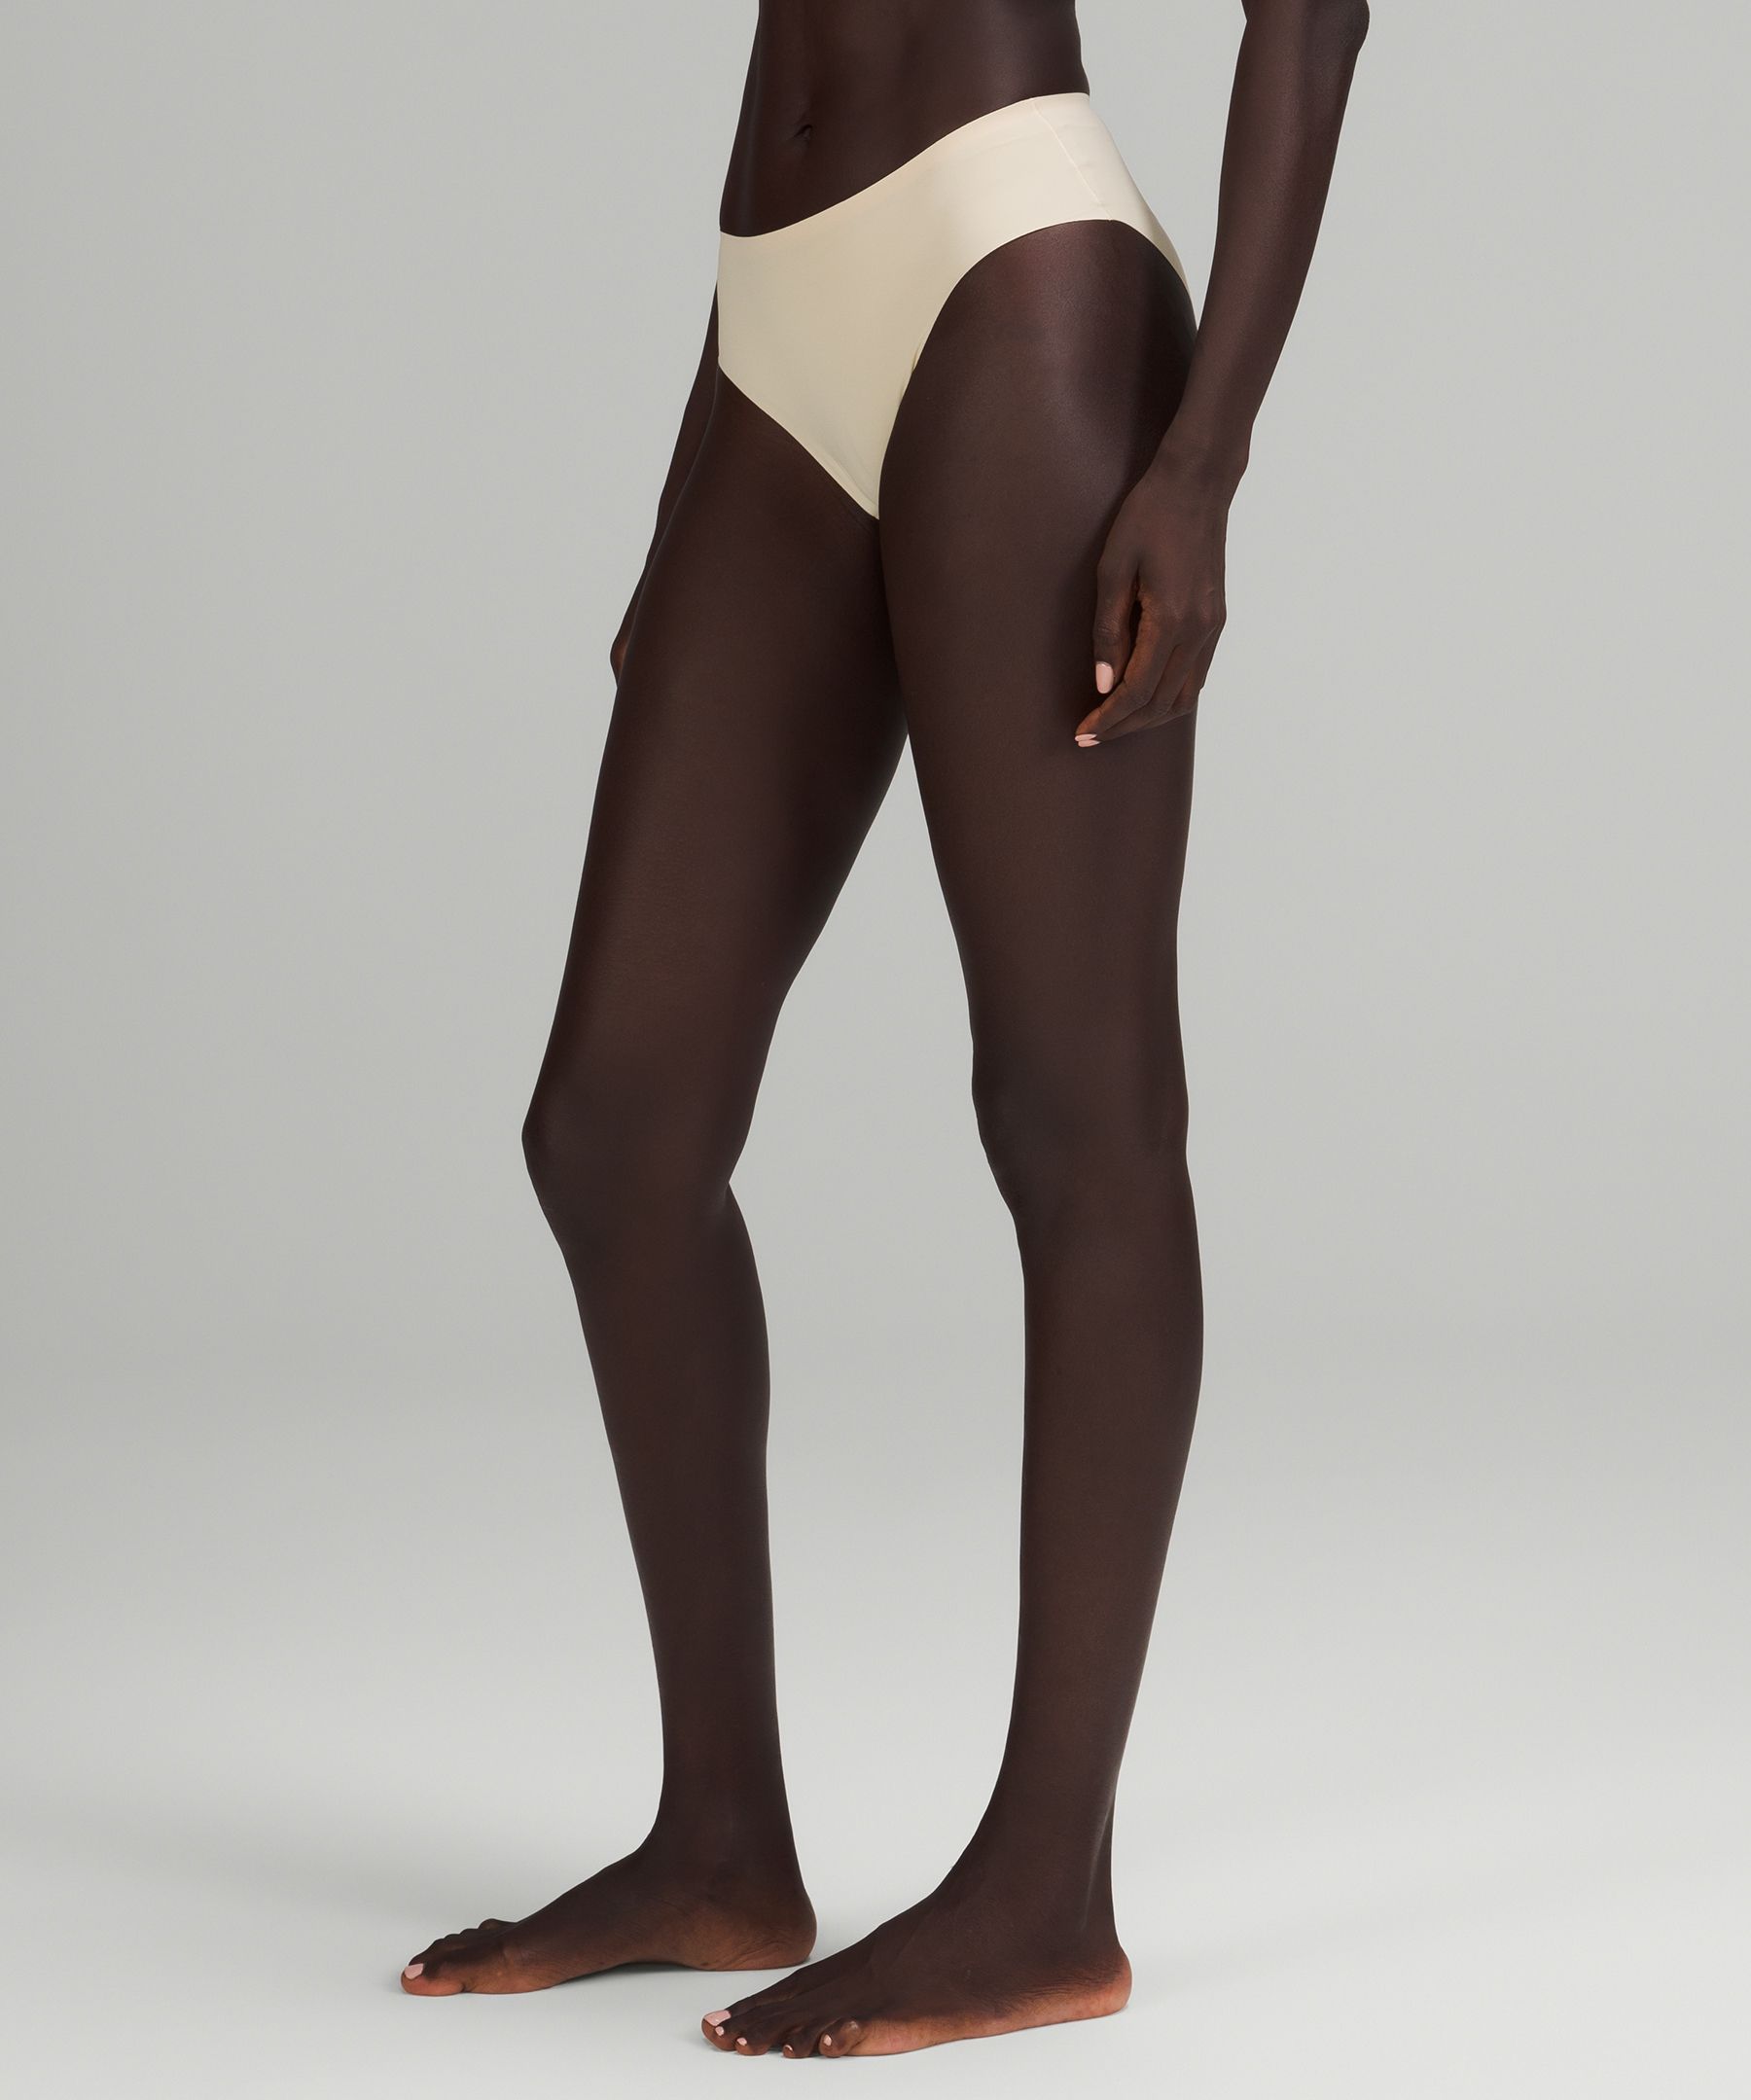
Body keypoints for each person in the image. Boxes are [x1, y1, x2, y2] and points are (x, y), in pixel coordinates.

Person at [401, 0, 1368, 2058]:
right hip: (772, 314)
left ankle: (1046, 1892)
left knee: (1078, 1116)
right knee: (615, 1135)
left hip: (1018, 277)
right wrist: (702, 467)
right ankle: (720, 1842)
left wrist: (1204, 462)